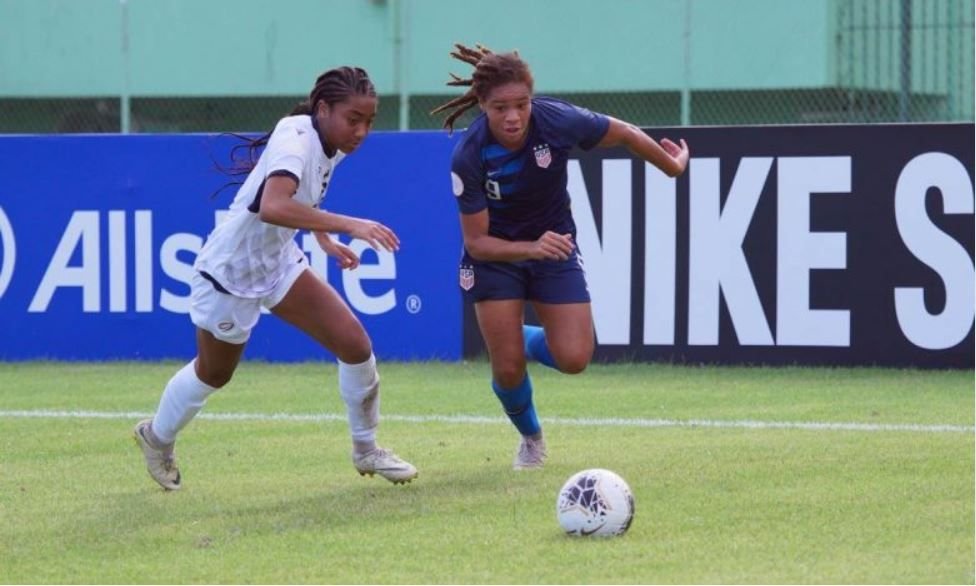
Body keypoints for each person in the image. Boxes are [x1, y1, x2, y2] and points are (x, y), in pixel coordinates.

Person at [133, 66, 418, 490]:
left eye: (369, 121)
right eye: (353, 119)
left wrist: (322, 238)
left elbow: (305, 196)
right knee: (215, 373)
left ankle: (366, 448)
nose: (361, 131)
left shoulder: (331, 143)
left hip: (279, 261)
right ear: (323, 110)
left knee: (355, 344)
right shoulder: (295, 138)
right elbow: (273, 206)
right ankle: (155, 436)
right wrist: (349, 225)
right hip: (230, 272)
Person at [431, 44, 689, 470]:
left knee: (574, 358)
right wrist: (530, 247)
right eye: (500, 108)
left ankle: (518, 336)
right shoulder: (469, 156)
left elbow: (623, 131)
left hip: (555, 247)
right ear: (482, 105)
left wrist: (671, 167)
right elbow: (476, 243)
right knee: (508, 370)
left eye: (521, 105)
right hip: (495, 258)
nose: (513, 116)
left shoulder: (556, 121)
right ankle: (531, 438)